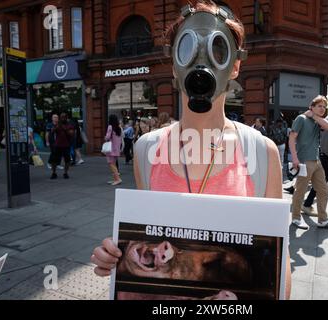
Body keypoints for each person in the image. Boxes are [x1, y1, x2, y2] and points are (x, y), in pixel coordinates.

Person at [91, 0, 291, 299]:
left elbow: (280, 257)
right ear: (174, 64)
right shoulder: (148, 150)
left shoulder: (261, 152)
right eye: (187, 48)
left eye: (217, 50)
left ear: (235, 65)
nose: (202, 61)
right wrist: (115, 256)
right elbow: (146, 234)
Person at [289, 95, 328, 230]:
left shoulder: (316, 120)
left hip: (317, 161)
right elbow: (291, 139)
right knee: (300, 190)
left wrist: (314, 116)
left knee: (323, 190)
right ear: (312, 106)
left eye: (324, 106)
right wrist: (294, 158)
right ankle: (296, 218)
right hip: (304, 160)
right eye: (319, 106)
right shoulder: (301, 119)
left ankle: (323, 219)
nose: (322, 109)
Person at [50, 113, 74, 179]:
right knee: (54, 160)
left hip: (66, 145)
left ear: (66, 117)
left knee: (67, 160)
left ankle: (65, 173)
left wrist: (65, 129)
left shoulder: (69, 125)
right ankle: (54, 173)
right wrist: (56, 127)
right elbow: (52, 131)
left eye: (64, 117)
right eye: (61, 117)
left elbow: (71, 134)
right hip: (57, 145)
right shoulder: (58, 124)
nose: (63, 118)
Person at [105, 114, 123, 186]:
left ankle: (118, 179)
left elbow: (107, 137)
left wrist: (105, 137)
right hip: (116, 148)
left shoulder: (110, 127)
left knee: (111, 164)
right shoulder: (119, 127)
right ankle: (115, 179)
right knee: (114, 164)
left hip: (111, 148)